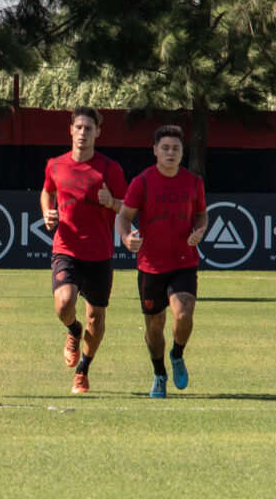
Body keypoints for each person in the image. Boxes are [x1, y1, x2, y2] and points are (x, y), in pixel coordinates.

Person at [41, 106, 128, 394]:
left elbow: (127, 207)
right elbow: (47, 191)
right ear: (70, 130)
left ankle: (83, 371)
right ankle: (73, 330)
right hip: (66, 248)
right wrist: (47, 212)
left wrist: (111, 201)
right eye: (78, 127)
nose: (82, 133)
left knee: (96, 318)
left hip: (100, 254)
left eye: (88, 129)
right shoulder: (56, 164)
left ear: (98, 133)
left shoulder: (110, 168)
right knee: (64, 304)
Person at [116, 125, 207, 399]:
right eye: (165, 148)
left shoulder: (194, 182)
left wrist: (200, 232)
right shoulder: (142, 182)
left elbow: (202, 216)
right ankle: (159, 373)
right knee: (154, 327)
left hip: (183, 262)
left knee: (183, 315)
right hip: (150, 267)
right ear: (155, 150)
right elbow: (123, 216)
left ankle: (177, 355)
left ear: (182, 153)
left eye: (176, 149)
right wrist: (125, 238)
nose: (170, 153)